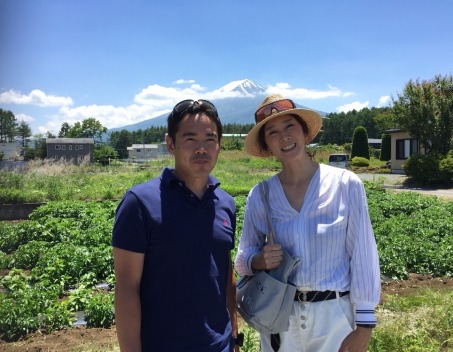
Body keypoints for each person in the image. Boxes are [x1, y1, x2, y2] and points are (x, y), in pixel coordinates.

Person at [234, 94, 381, 352]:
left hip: (334, 317)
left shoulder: (345, 184)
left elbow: (363, 254)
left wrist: (364, 326)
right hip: (280, 317)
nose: (284, 137)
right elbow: (243, 258)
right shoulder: (262, 194)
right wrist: (258, 260)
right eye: (273, 132)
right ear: (267, 145)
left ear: (304, 132)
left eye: (290, 126)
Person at [112, 99, 240, 352]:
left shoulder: (226, 203)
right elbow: (127, 287)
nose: (201, 149)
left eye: (210, 139)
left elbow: (225, 276)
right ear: (171, 144)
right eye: (190, 139)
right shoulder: (140, 203)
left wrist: (235, 337)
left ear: (219, 146)